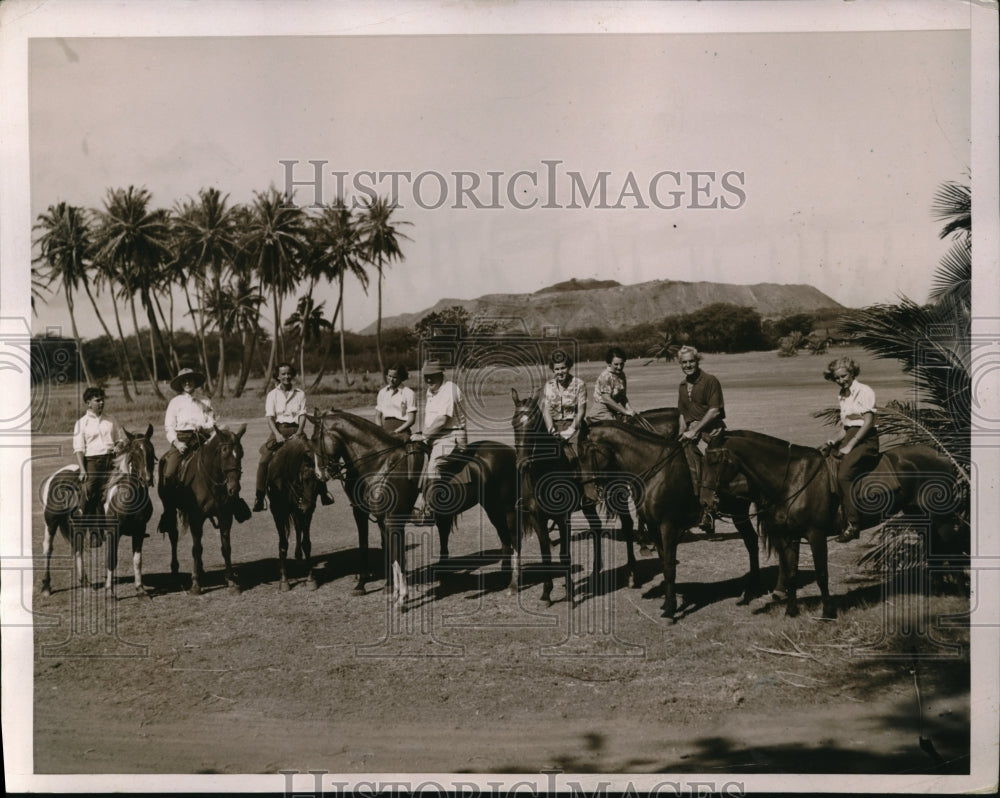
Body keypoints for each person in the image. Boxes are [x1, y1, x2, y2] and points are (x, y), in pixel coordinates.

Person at [253, 362, 332, 511]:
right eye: (283, 374)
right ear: (277, 376)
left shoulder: (300, 393)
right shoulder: (272, 395)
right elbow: (270, 418)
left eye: (289, 373)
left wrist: (299, 432)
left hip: (297, 429)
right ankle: (260, 496)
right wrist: (277, 434)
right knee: (264, 460)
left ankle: (324, 493)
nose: (286, 376)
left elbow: (302, 414)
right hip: (279, 430)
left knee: (315, 455)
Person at [823, 356, 879, 542]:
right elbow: (846, 426)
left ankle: (854, 524)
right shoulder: (842, 394)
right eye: (837, 378)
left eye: (844, 376)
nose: (841, 380)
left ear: (852, 372)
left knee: (844, 475)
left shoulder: (864, 391)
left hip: (865, 440)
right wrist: (833, 441)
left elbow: (869, 422)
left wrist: (849, 445)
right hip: (850, 436)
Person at [676, 345, 726, 534]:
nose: (688, 365)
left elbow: (715, 411)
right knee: (684, 465)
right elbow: (682, 413)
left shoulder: (710, 381)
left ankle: (711, 512)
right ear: (680, 364)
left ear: (697, 361)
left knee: (711, 468)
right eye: (684, 362)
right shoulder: (682, 386)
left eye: (691, 361)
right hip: (691, 432)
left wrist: (696, 429)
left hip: (711, 430)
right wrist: (682, 434)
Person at [411, 360, 467, 521]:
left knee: (434, 464)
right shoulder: (432, 391)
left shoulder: (450, 390)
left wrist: (424, 436)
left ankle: (430, 508)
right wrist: (423, 433)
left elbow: (442, 420)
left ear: (441, 374)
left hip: (452, 437)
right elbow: (432, 420)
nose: (428, 380)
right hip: (436, 436)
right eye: (426, 377)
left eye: (432, 377)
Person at [72, 386, 126, 543]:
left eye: (102, 400)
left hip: (112, 460)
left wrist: (119, 445)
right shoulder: (81, 423)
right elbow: (79, 449)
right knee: (90, 491)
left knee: (128, 485)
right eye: (97, 400)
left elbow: (122, 438)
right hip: (93, 462)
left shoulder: (111, 420)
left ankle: (132, 522)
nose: (101, 403)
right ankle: (85, 525)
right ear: (88, 403)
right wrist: (83, 470)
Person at [161, 367, 216, 491]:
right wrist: (177, 443)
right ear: (180, 384)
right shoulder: (175, 402)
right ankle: (170, 508)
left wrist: (203, 427)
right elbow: (169, 427)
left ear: (195, 382)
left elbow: (212, 422)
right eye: (184, 381)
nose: (187, 383)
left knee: (223, 464)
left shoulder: (205, 400)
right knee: (169, 473)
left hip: (203, 438)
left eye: (190, 380)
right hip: (182, 439)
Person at [541, 349, 587, 442]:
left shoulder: (579, 384)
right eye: (557, 369)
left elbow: (581, 411)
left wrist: (570, 431)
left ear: (569, 367)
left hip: (573, 426)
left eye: (563, 368)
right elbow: (546, 410)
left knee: (573, 454)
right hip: (554, 425)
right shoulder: (548, 385)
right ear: (553, 370)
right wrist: (551, 429)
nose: (560, 372)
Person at [588, 346, 636, 422]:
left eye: (622, 364)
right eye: (616, 364)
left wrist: (629, 409)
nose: (619, 367)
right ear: (609, 363)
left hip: (614, 409)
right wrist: (625, 411)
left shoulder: (621, 375)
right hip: (601, 411)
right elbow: (607, 399)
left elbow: (623, 397)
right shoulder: (606, 376)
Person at [374, 364, 417, 439]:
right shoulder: (382, 392)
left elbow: (411, 420)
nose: (391, 379)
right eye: (389, 376)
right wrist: (380, 431)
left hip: (402, 432)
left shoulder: (409, 393)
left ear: (401, 377)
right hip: (385, 432)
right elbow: (378, 416)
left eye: (394, 377)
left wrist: (396, 432)